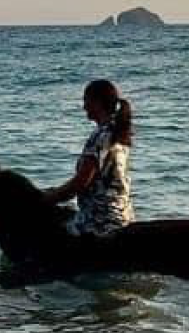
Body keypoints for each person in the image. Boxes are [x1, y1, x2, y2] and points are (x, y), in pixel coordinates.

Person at [41, 79, 136, 236]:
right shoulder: (117, 133)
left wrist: (50, 198)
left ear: (97, 103)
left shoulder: (100, 137)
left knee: (46, 234)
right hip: (122, 215)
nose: (84, 106)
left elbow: (81, 182)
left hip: (99, 221)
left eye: (86, 101)